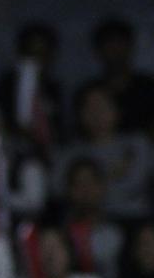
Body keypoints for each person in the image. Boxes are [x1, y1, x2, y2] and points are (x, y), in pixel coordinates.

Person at [53, 82, 152, 218]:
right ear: (79, 114)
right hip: (83, 224)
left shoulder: (136, 144)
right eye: (89, 108)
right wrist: (111, 177)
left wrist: (90, 190)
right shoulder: (69, 153)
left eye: (102, 106)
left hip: (132, 219)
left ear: (117, 110)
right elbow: (57, 188)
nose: (97, 114)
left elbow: (136, 183)